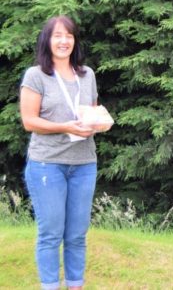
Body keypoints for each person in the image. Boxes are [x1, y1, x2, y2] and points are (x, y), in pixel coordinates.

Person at [20, 15, 99, 290]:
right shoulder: (36, 75)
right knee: (51, 234)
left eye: (69, 36)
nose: (63, 41)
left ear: (74, 41)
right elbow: (29, 121)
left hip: (84, 164)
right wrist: (64, 126)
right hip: (47, 165)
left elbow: (91, 112)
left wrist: (97, 123)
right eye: (57, 36)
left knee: (77, 235)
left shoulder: (87, 75)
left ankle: (75, 285)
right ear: (47, 40)